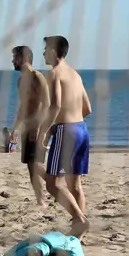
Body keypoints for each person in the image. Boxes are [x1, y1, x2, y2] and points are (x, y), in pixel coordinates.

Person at [39, 35, 92, 237]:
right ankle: (77, 237)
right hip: (81, 129)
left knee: (53, 183)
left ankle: (79, 220)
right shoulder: (75, 75)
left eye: (45, 49)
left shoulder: (54, 74)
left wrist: (46, 130)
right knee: (75, 184)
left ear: (53, 51)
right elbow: (87, 108)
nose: (43, 53)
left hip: (67, 132)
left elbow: (56, 105)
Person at [7, 45, 50, 207]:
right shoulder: (21, 81)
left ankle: (56, 187)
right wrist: (16, 129)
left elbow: (47, 104)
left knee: (37, 164)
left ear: (23, 58)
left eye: (15, 58)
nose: (13, 61)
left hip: (38, 127)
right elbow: (23, 108)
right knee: (31, 166)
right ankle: (41, 200)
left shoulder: (37, 77)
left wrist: (39, 127)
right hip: (27, 128)